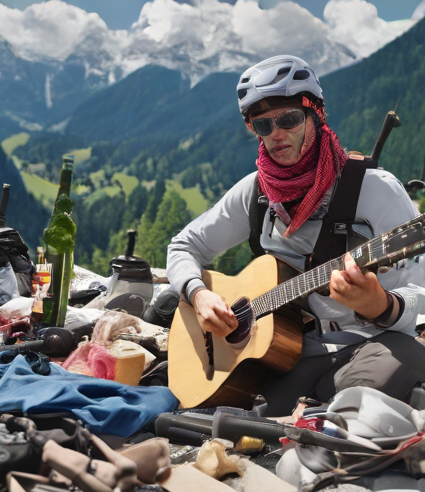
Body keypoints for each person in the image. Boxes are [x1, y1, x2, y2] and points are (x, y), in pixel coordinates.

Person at [166, 55, 425, 416]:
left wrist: (379, 305)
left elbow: (422, 299)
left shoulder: (376, 190)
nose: (276, 134)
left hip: (375, 342)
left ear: (315, 114)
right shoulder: (256, 193)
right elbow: (185, 245)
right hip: (290, 352)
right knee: (227, 421)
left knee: (357, 409)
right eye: (263, 125)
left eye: (288, 119)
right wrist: (199, 295)